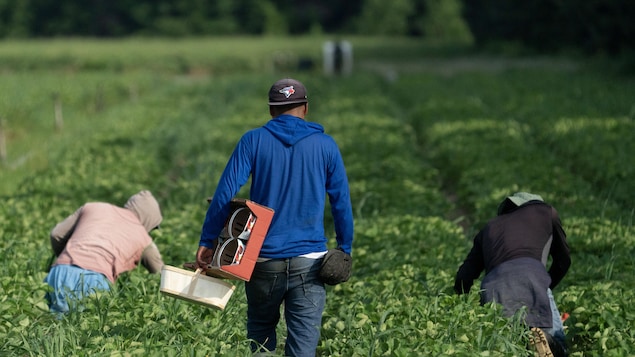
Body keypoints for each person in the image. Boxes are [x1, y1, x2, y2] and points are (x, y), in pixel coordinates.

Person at [196, 78, 354, 357]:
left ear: (271, 111)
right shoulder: (326, 146)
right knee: (303, 347)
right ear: (305, 108)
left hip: (263, 261)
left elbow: (224, 194)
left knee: (260, 335)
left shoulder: (252, 141)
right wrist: (344, 248)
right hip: (311, 262)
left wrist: (209, 240)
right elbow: (341, 202)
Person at [454, 192, 571, 357]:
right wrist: (544, 286)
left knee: (506, 346)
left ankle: (525, 344)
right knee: (558, 343)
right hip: (532, 276)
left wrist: (460, 305)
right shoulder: (545, 212)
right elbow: (563, 260)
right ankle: (547, 341)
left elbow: (464, 276)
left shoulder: (488, 228)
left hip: (493, 288)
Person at [44, 190, 164, 314]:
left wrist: (67, 260)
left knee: (50, 321)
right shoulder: (143, 238)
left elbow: (56, 234)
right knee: (83, 327)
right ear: (150, 220)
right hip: (93, 280)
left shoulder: (93, 207)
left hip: (59, 271)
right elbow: (161, 274)